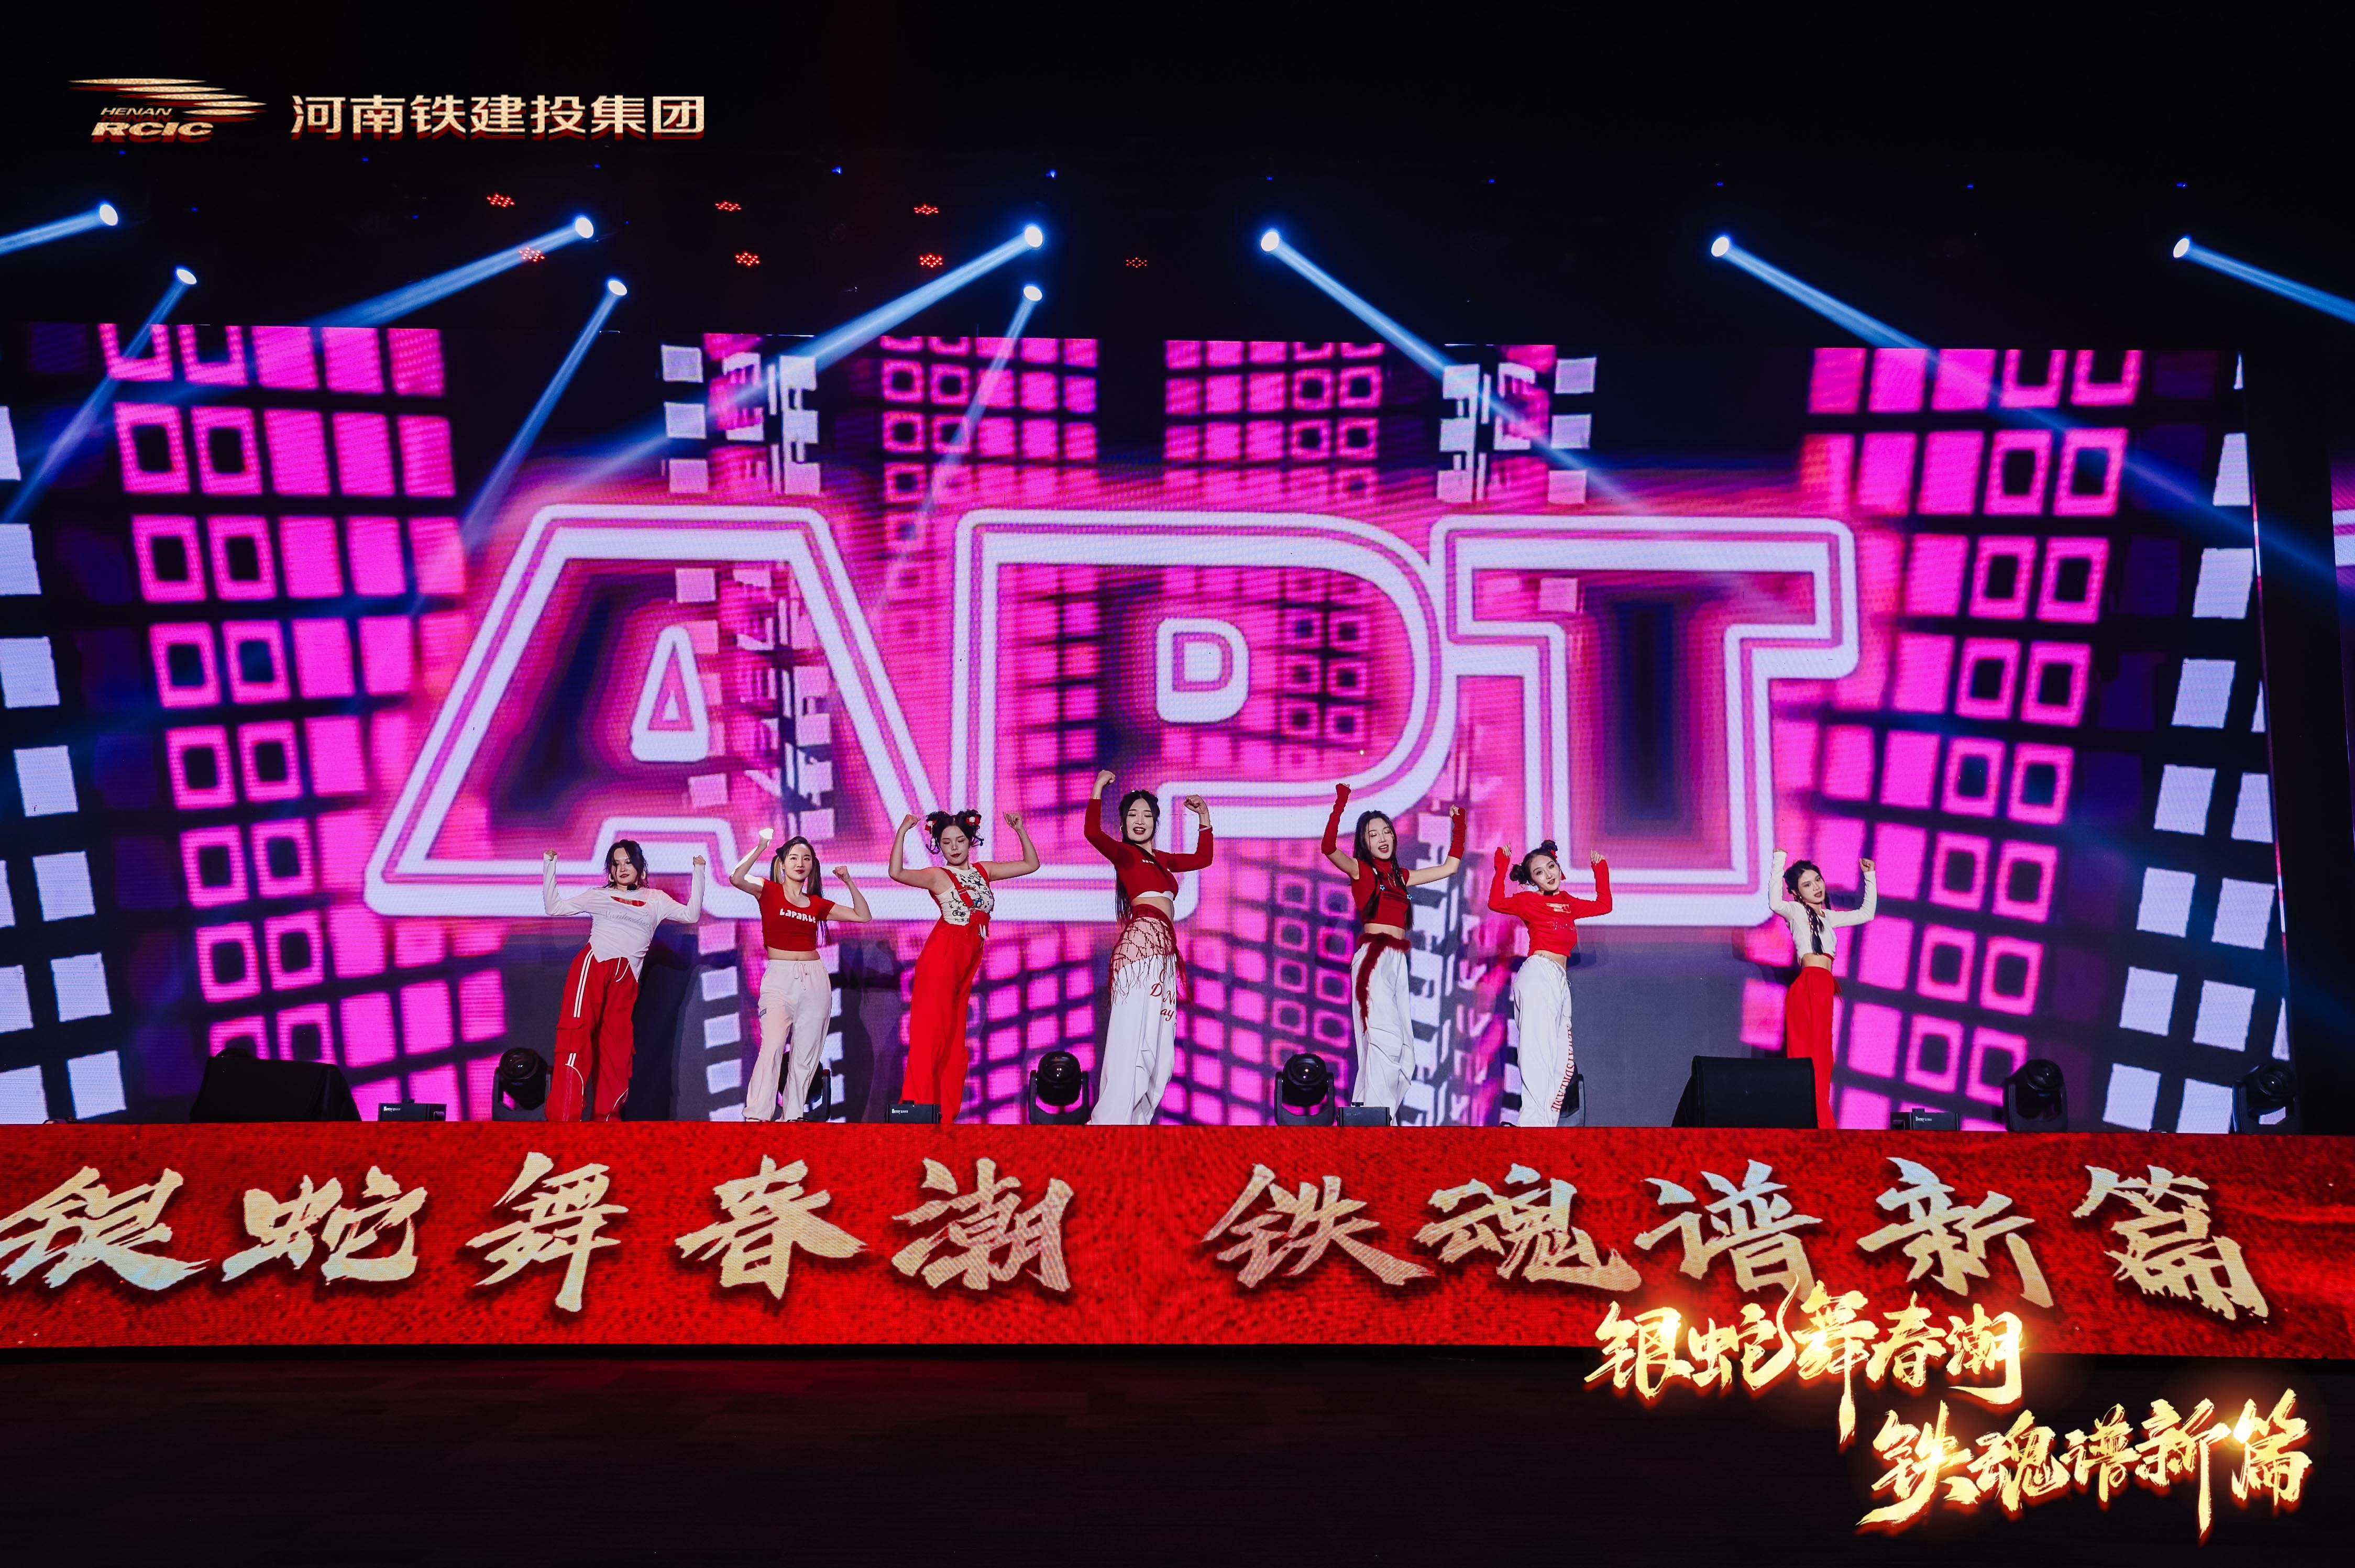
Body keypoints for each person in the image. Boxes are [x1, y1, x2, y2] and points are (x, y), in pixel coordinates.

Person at [1319, 784, 1465, 1115]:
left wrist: (1459, 827)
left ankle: (1376, 1115)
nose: (1383, 838)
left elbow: (1449, 868)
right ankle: (1375, 1121)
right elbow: (1328, 848)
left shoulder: (1400, 876)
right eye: (1373, 835)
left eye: (1387, 831)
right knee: (1384, 1041)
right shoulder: (1361, 870)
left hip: (1397, 961)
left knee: (1404, 1052)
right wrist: (1341, 803)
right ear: (1365, 842)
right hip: (1374, 959)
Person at [889, 807, 1040, 1121]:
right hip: (942, 957)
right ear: (939, 846)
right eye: (946, 843)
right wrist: (902, 832)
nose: (954, 847)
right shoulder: (938, 876)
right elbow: (897, 873)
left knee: (955, 1043)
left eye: (960, 840)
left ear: (970, 840)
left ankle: (943, 1115)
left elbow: (1031, 864)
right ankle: (917, 1111)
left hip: (968, 961)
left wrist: (1020, 830)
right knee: (931, 1036)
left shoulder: (985, 871)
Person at [1082, 770, 1214, 1124]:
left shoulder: (1164, 859)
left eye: (1146, 815)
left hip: (1165, 953)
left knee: (1161, 1050)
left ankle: (1137, 1122)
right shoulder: (1125, 854)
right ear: (1124, 824)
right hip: (1140, 948)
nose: (1140, 821)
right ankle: (1109, 1122)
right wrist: (1098, 788)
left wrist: (1204, 818)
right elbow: (1092, 832)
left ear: (1156, 823)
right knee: (1132, 1039)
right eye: (1132, 815)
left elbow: (1203, 859)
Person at [540, 839, 705, 1121]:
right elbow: (554, 908)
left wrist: (699, 871)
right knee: (576, 1036)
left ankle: (608, 1120)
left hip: (626, 980)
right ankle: (564, 1119)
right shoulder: (598, 895)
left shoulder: (656, 899)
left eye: (628, 862)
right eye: (616, 864)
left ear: (640, 866)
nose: (622, 868)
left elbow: (691, 914)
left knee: (616, 1048)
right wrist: (549, 865)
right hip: (594, 967)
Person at [726, 828, 873, 1122]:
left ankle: (793, 1116)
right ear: (782, 863)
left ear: (812, 866)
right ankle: (757, 1115)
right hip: (779, 978)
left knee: (806, 1054)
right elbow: (736, 878)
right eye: (793, 858)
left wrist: (848, 881)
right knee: (772, 1047)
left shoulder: (816, 903)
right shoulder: (768, 890)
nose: (800, 863)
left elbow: (863, 915)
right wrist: (761, 846)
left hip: (814, 978)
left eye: (806, 859)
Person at [1487, 840, 1611, 1127]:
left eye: (1551, 867)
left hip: (1559, 980)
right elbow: (1495, 902)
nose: (1549, 875)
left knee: (1562, 1062)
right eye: (1540, 873)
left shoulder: (1569, 903)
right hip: (1539, 974)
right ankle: (1532, 1127)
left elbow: (1604, 905)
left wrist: (1600, 870)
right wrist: (1501, 867)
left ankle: (1544, 1126)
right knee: (1538, 1054)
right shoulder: (1529, 901)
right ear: (1533, 881)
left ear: (1558, 867)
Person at [1767, 848, 1877, 1130]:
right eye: (1807, 884)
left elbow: (1867, 913)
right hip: (1808, 985)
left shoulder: (1830, 917)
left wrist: (1870, 876)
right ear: (1796, 892)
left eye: (1817, 880)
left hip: (1824, 986)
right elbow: (1775, 902)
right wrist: (1778, 862)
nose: (1816, 887)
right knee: (1805, 1054)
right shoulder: (1795, 912)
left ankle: (1818, 1119)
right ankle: (1810, 1120)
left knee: (1823, 1057)